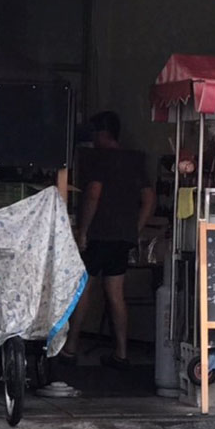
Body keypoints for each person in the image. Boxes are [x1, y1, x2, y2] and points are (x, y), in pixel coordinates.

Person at [60, 111, 156, 370]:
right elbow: (149, 199)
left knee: (84, 288)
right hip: (122, 237)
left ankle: (70, 348)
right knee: (116, 294)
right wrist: (134, 229)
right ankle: (122, 353)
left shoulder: (98, 158)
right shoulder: (135, 160)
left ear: (102, 133)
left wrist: (83, 231)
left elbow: (93, 193)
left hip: (99, 233)